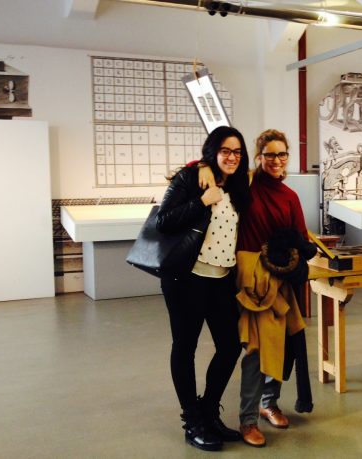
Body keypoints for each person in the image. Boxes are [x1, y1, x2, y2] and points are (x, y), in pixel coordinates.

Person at [202, 129, 311, 447]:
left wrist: (291, 258)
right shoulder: (245, 185)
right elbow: (214, 169)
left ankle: (269, 403)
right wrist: (202, 167)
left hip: (278, 279)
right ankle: (248, 419)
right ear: (259, 156)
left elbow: (300, 238)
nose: (276, 161)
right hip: (248, 280)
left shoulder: (290, 196)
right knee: (254, 349)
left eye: (282, 154)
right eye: (270, 155)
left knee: (279, 344)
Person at [156, 126, 250, 451]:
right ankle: (192, 421)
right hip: (187, 278)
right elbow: (163, 221)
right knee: (185, 347)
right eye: (225, 150)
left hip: (221, 279)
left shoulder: (237, 185)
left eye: (237, 151)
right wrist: (201, 201)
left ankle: (209, 411)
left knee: (229, 346)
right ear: (213, 151)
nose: (232, 157)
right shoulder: (190, 178)